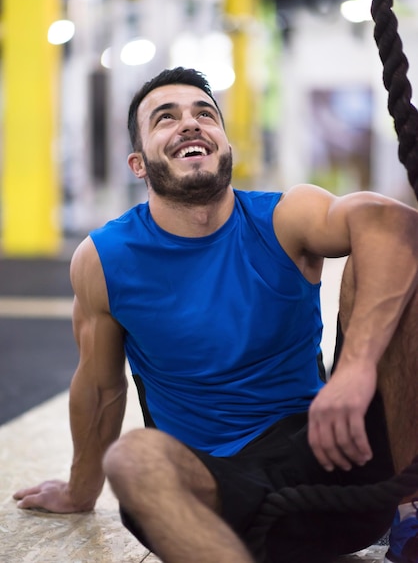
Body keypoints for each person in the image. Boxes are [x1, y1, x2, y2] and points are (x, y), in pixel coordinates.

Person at [14, 67, 418, 563]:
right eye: (166, 117)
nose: (189, 123)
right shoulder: (104, 259)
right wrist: (81, 488)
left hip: (335, 463)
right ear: (138, 164)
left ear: (226, 148)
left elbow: (393, 222)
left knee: (394, 268)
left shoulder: (284, 218)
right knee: (133, 459)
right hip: (214, 500)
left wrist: (355, 368)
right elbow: (100, 386)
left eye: (204, 114)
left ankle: (408, 515)